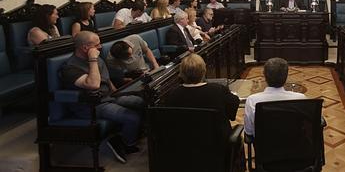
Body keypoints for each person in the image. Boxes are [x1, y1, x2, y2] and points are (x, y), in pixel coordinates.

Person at [59, 31, 143, 163]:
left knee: (141, 102)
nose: (100, 47)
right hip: (91, 105)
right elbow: (93, 84)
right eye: (97, 45)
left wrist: (118, 93)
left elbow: (106, 80)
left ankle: (133, 135)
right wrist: (92, 59)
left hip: (109, 97)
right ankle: (124, 143)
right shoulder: (70, 67)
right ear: (85, 48)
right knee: (132, 117)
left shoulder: (98, 59)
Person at [163, 53, 239, 134]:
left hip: (183, 143)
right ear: (203, 71)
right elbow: (232, 111)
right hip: (217, 143)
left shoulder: (172, 95)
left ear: (182, 73)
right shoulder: (218, 90)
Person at [244, 57, 306, 137]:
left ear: (265, 76)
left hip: (265, 147)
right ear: (286, 76)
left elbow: (249, 131)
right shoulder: (300, 99)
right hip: (295, 145)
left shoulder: (252, 100)